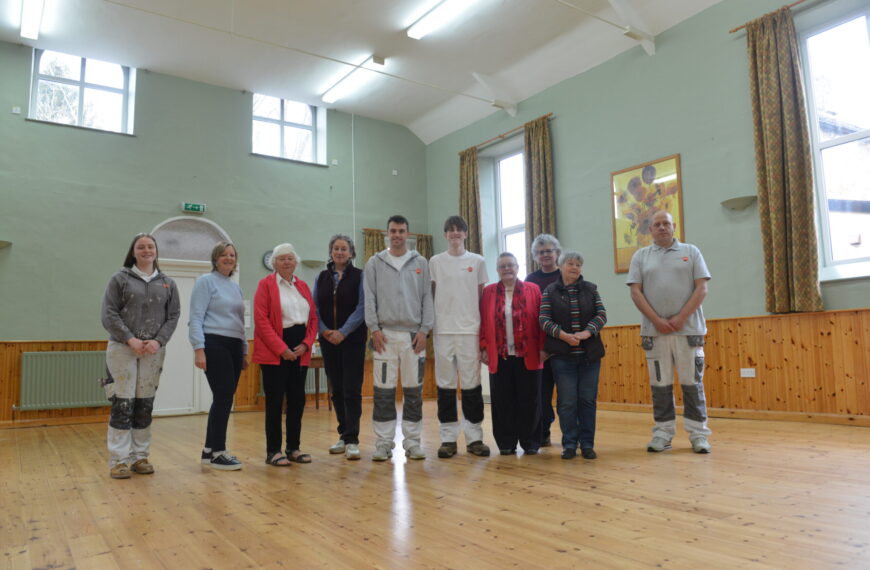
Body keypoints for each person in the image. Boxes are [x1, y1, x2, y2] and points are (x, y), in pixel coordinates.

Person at [626, 210, 712, 454]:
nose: (662, 227)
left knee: (692, 383)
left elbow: (702, 288)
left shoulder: (691, 252)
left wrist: (679, 318)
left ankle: (698, 435)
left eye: (666, 223)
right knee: (660, 385)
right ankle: (662, 433)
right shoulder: (641, 256)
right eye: (657, 224)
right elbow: (635, 292)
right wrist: (658, 321)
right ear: (650, 230)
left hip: (689, 331)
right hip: (655, 334)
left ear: (674, 226)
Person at [101, 233, 180, 479]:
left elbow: (173, 316)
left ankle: (140, 457)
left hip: (153, 351)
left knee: (144, 405)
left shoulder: (168, 283)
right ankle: (118, 460)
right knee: (123, 404)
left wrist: (157, 341)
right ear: (133, 252)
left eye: (150, 246)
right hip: (123, 349)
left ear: (156, 251)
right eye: (141, 247)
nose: (146, 250)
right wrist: (130, 339)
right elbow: (109, 314)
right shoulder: (120, 279)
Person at [364, 214, 434, 461]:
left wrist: (425, 330)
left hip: (414, 337)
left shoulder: (420, 262)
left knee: (414, 392)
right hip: (384, 336)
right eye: (393, 231)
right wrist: (374, 328)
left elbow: (427, 297)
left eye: (401, 231)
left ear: (408, 234)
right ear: (387, 234)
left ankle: (413, 442)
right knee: (383, 392)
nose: (396, 235)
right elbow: (369, 297)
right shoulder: (375, 262)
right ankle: (383, 443)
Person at [429, 215, 490, 459]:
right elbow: (431, 295)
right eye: (450, 230)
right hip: (443, 331)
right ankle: (448, 439)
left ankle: (475, 438)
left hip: (469, 331)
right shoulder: (435, 261)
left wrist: (482, 332)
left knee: (472, 386)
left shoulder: (477, 261)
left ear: (466, 234)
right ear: (445, 235)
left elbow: (481, 297)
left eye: (459, 230)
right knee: (445, 386)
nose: (455, 234)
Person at [253, 243, 319, 466]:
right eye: (282, 259)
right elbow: (261, 321)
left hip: (300, 348)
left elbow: (313, 319)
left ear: (296, 261)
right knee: (274, 402)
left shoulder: (302, 286)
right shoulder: (266, 285)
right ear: (275, 263)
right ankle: (273, 451)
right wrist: (281, 349)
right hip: (275, 351)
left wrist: (306, 344)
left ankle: (293, 448)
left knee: (297, 401)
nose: (287, 262)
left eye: (290, 258)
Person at [539, 251, 607, 460]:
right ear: (560, 266)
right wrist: (564, 336)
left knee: (587, 401)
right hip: (562, 357)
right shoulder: (550, 291)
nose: (575, 267)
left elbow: (601, 315)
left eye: (578, 264)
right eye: (570, 263)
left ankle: (587, 444)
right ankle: (569, 444)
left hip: (589, 357)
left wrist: (587, 333)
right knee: (567, 402)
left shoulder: (591, 289)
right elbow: (544, 319)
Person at [189, 241, 248, 470]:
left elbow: (240, 322)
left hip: (234, 345)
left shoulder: (234, 286)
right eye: (224, 255)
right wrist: (198, 348)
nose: (229, 258)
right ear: (215, 258)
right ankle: (219, 452)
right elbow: (195, 317)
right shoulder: (205, 282)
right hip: (214, 342)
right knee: (224, 397)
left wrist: (243, 350)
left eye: (232, 255)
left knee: (223, 398)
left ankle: (208, 450)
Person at [479, 252, 545, 455]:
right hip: (499, 356)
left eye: (511, 265)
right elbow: (482, 320)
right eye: (502, 266)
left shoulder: (533, 289)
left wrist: (544, 347)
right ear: (497, 270)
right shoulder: (489, 292)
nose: (507, 269)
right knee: (503, 401)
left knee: (530, 400)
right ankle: (506, 443)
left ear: (518, 267)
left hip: (529, 355)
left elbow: (541, 321)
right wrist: (482, 346)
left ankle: (530, 442)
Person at [313, 235, 366, 461]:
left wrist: (343, 332)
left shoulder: (360, 276)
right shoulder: (321, 277)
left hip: (352, 340)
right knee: (336, 389)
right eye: (336, 248)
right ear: (331, 252)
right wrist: (325, 331)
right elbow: (314, 307)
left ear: (351, 253)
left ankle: (353, 439)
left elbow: (363, 307)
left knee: (351, 389)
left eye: (344, 249)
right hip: (328, 340)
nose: (340, 252)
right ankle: (343, 434)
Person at [525, 233, 562, 448]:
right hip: (540, 347)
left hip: (564, 344)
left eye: (549, 250)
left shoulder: (565, 275)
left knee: (567, 396)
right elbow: (530, 314)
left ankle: (571, 435)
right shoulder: (530, 280)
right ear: (535, 256)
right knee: (542, 393)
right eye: (541, 252)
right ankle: (544, 432)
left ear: (557, 253)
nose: (545, 255)